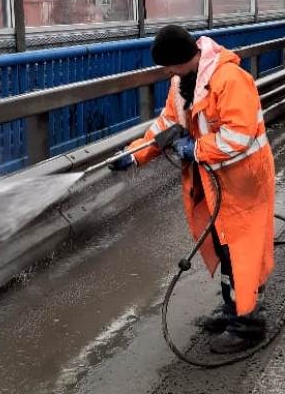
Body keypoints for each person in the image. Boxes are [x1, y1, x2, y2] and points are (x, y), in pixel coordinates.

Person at [109, 24, 276, 354]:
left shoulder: (230, 79)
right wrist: (133, 154)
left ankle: (248, 324)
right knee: (224, 248)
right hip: (215, 183)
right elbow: (167, 126)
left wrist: (196, 150)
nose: (166, 72)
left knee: (240, 251)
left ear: (182, 58)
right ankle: (234, 309)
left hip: (243, 182)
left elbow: (239, 136)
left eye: (168, 65)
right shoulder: (182, 83)